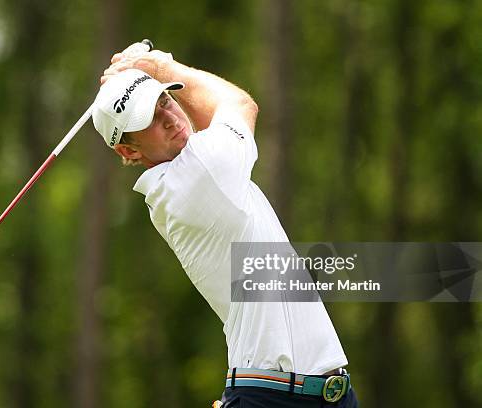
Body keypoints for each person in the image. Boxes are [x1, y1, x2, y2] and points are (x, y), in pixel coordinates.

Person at [92, 42, 359, 407]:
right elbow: (240, 105)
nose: (169, 118)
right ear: (129, 150)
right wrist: (164, 67)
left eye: (165, 101)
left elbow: (210, 128)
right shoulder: (198, 176)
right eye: (149, 120)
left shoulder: (190, 174)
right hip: (272, 397)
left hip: (321, 394)